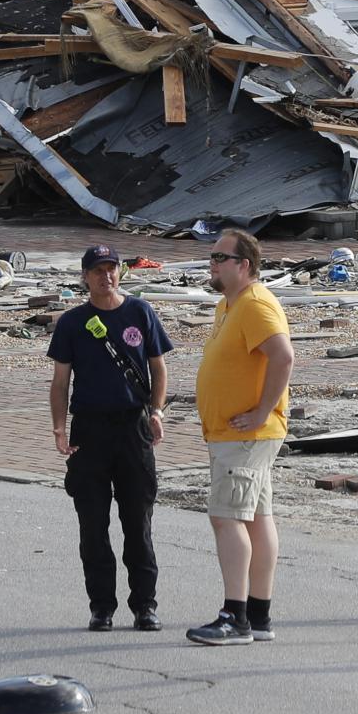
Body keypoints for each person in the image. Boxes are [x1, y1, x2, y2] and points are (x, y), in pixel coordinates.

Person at [47, 244, 173, 632]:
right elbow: (60, 380)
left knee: (138, 522)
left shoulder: (140, 312)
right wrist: (59, 427)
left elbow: (158, 367)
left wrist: (156, 410)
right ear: (85, 276)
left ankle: (144, 605)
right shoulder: (72, 322)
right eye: (98, 270)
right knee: (93, 524)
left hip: (132, 427)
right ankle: (101, 606)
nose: (107, 276)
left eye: (112, 269)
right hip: (90, 428)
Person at [185, 228, 295, 647]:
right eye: (211, 256)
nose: (211, 263)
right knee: (255, 517)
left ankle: (235, 616)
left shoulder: (255, 304)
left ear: (243, 265)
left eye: (219, 257)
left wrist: (263, 411)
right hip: (237, 434)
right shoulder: (228, 306)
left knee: (226, 516)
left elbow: (283, 357)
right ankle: (260, 613)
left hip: (246, 434)